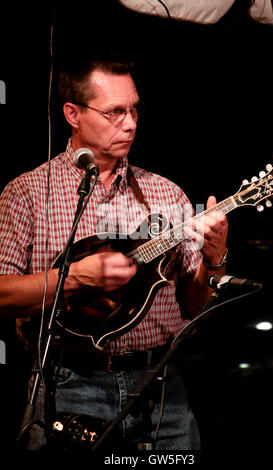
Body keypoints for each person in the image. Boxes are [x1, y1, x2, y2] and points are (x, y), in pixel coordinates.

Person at [0, 51, 228, 451]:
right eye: (114, 112)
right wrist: (77, 279)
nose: (130, 124)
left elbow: (195, 308)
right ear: (73, 114)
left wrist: (214, 258)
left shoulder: (167, 193)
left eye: (135, 111)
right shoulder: (27, 193)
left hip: (160, 388)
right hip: (68, 385)